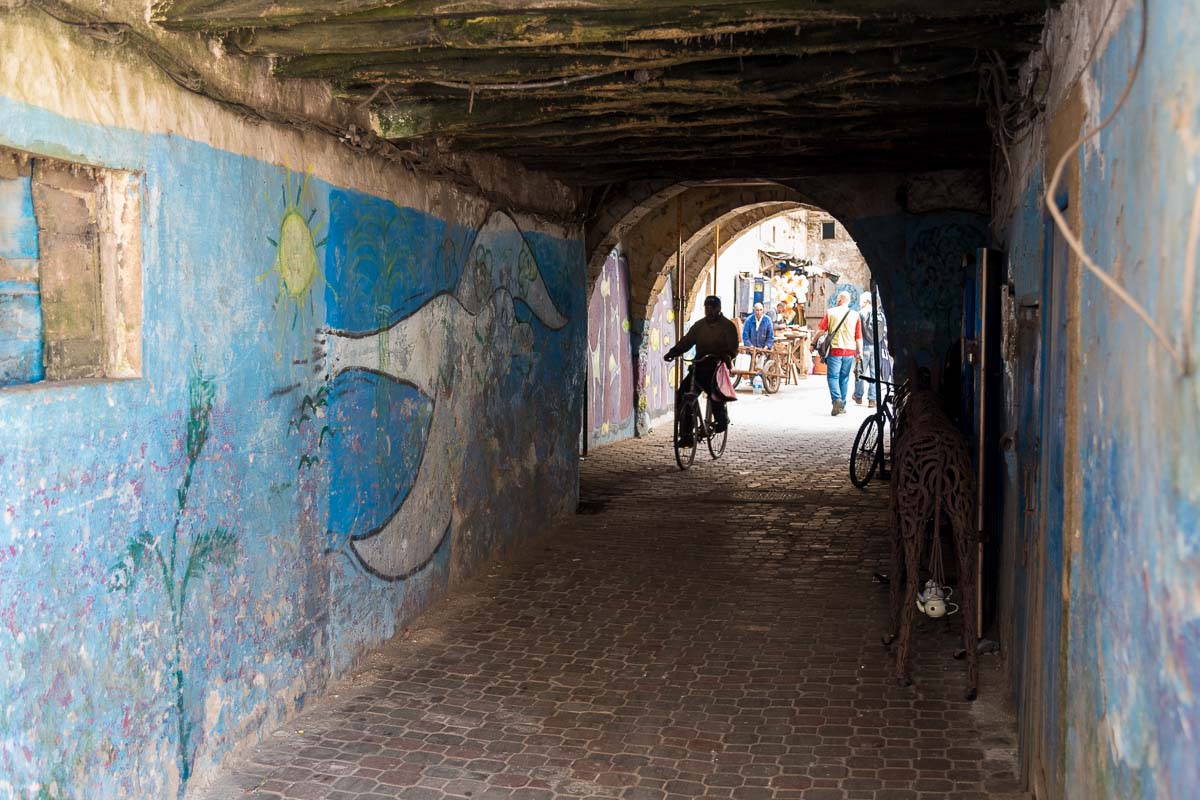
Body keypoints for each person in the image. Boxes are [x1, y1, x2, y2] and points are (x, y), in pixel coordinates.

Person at [664, 295, 739, 444]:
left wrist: (726, 355)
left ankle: (722, 421)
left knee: (715, 395)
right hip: (699, 366)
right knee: (683, 394)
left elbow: (733, 348)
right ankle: (686, 435)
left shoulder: (727, 326)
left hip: (716, 367)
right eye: (707, 308)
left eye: (713, 308)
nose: (709, 311)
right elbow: (687, 341)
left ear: (719, 309)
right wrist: (673, 352)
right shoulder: (699, 326)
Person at [817, 291, 862, 416]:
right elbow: (858, 336)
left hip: (835, 350)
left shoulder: (831, 312)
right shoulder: (855, 315)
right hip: (850, 351)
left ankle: (837, 399)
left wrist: (813, 343)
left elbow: (821, 331)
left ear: (839, 300)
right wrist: (860, 353)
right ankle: (842, 406)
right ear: (849, 301)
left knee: (833, 377)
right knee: (844, 378)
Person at [852, 292, 892, 407]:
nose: (860, 303)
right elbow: (884, 332)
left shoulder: (860, 313)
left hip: (863, 346)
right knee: (875, 373)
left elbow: (857, 332)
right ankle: (872, 399)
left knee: (860, 371)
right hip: (876, 347)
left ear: (865, 302)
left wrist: (856, 349)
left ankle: (858, 396)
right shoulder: (880, 314)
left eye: (861, 301)